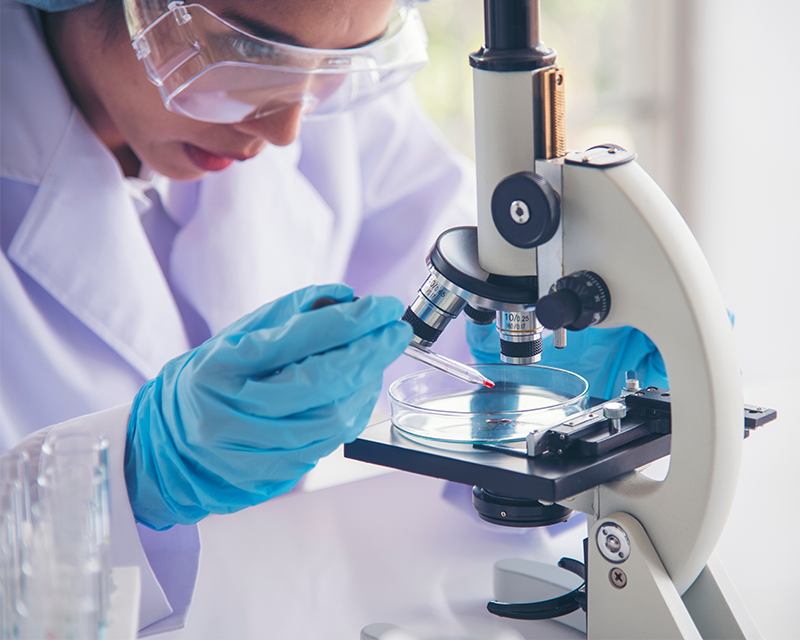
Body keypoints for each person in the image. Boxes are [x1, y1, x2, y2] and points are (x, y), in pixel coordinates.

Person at [0, 0, 666, 633]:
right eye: (244, 48)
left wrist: (558, 362)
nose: (286, 129)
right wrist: (127, 477)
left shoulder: (320, 85)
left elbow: (462, 279)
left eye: (340, 61)